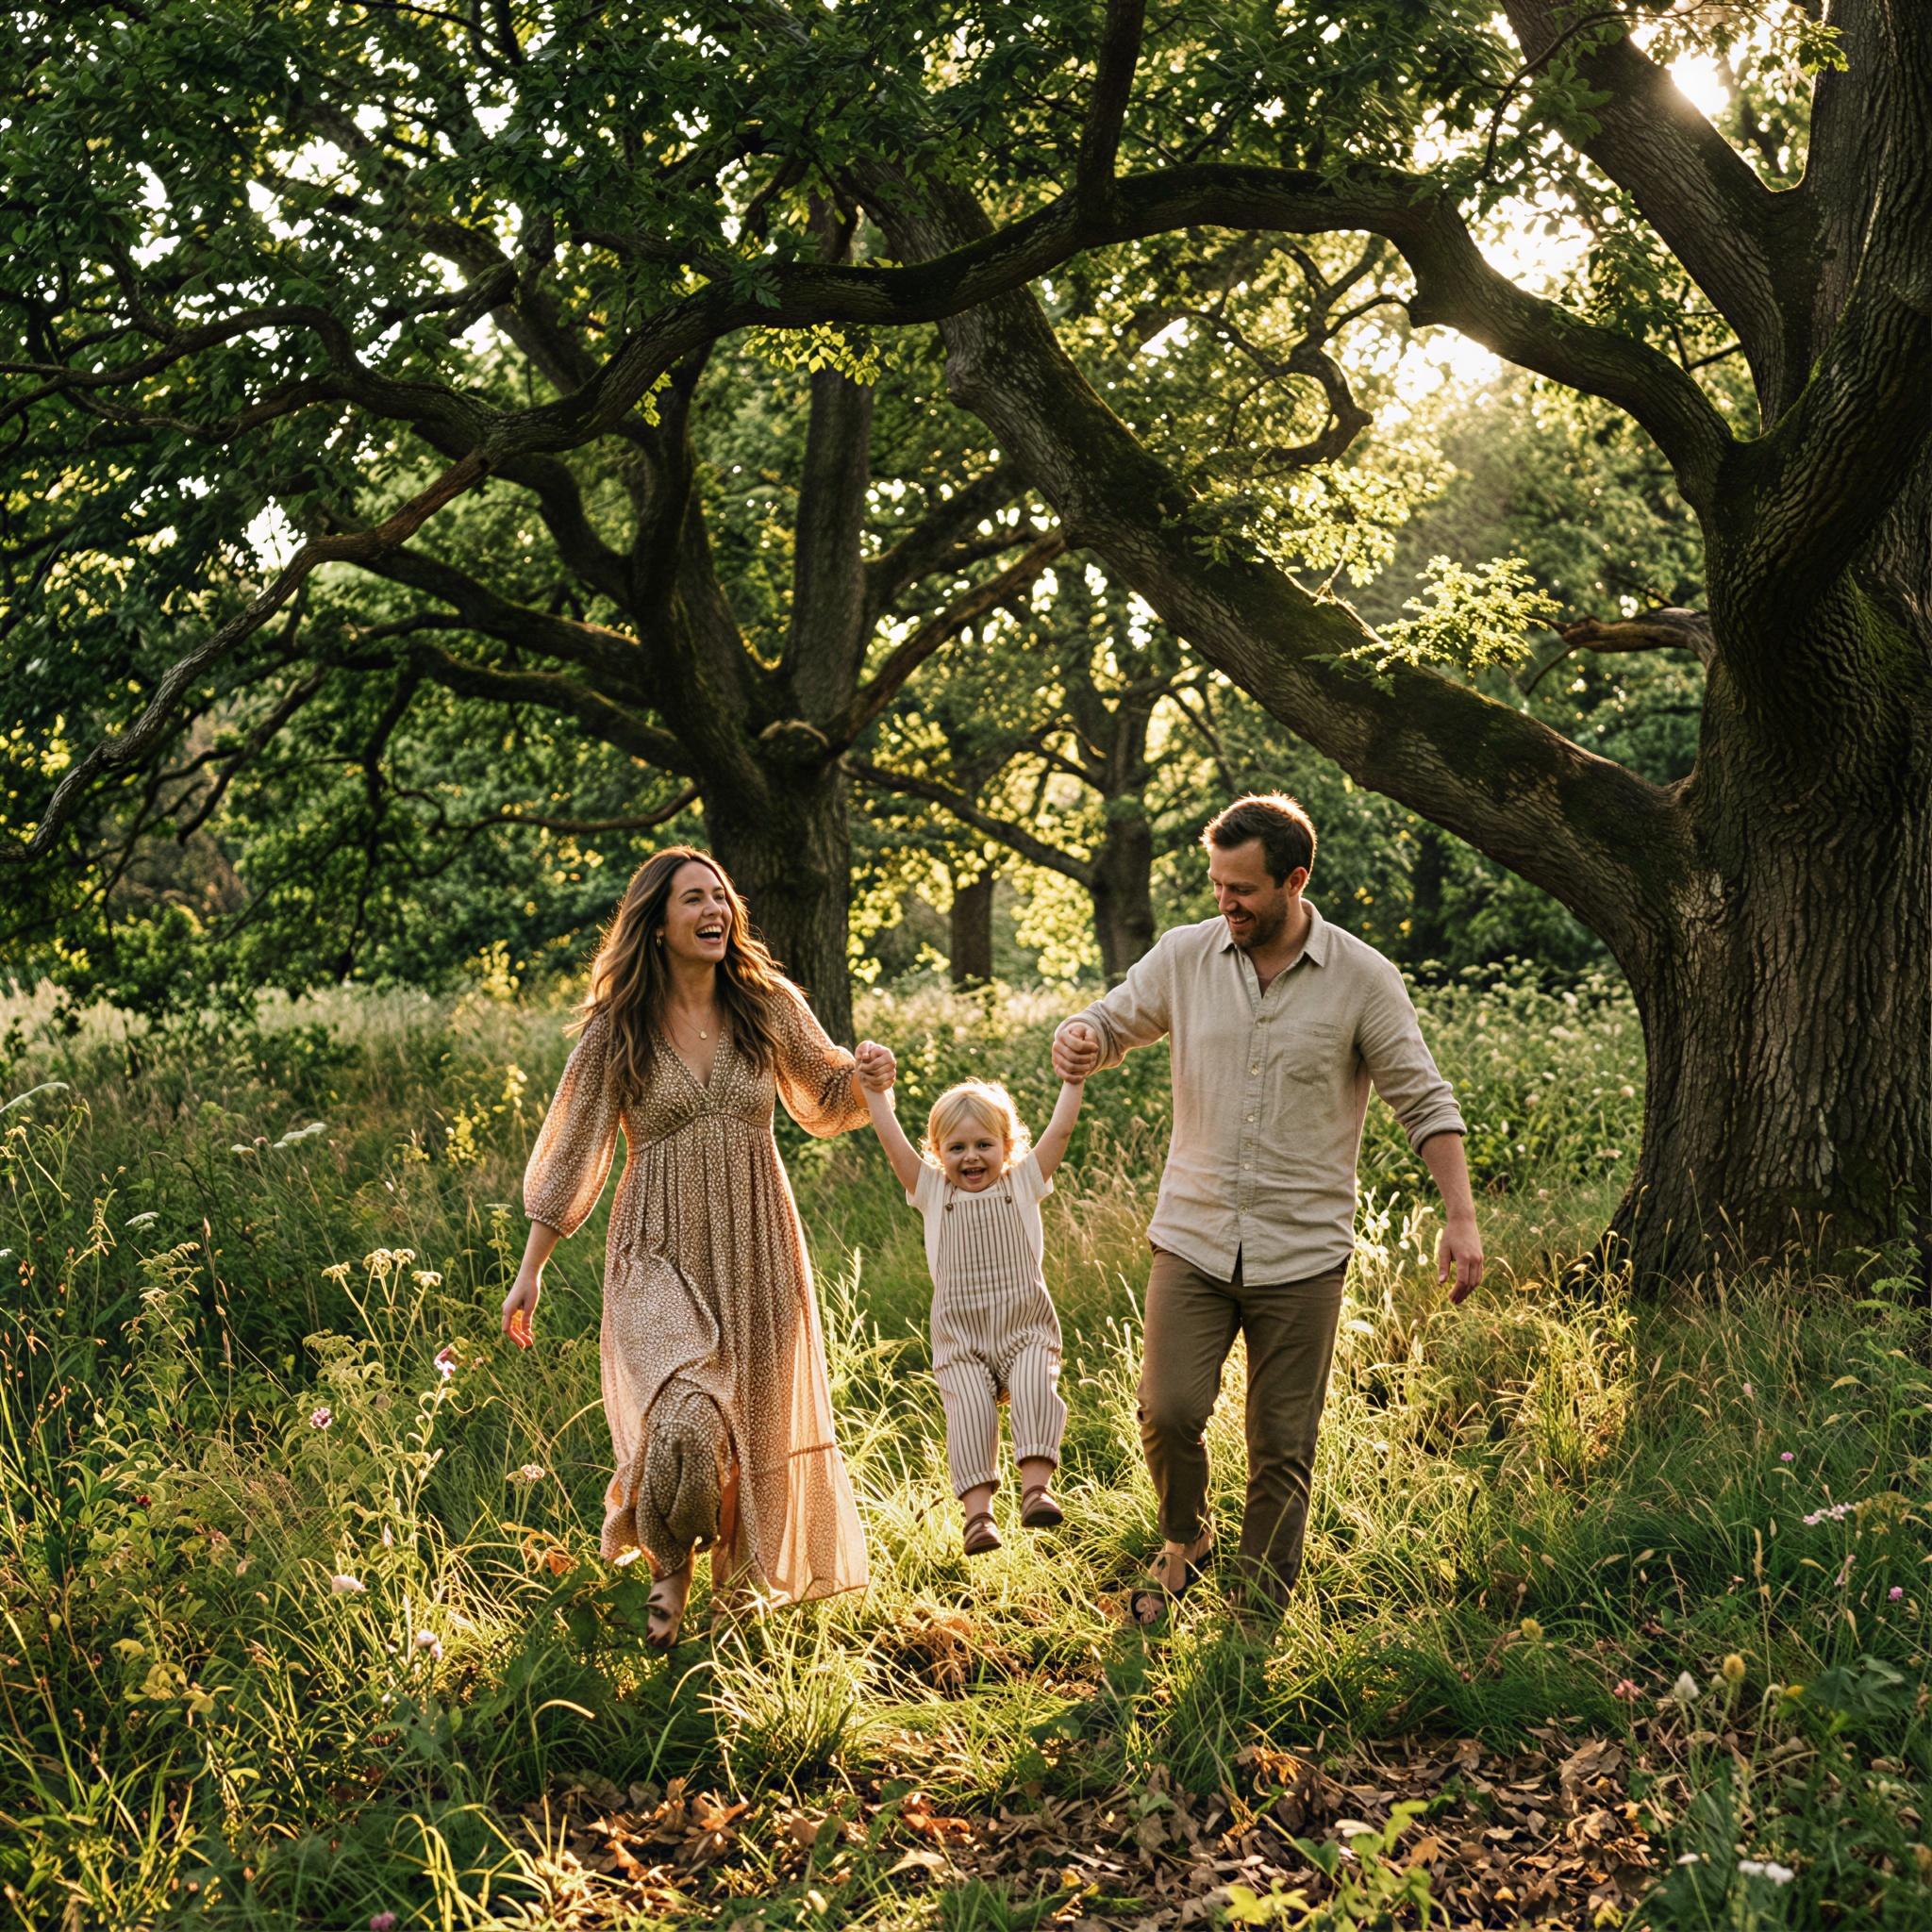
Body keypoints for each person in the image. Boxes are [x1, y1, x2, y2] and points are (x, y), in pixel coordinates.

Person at [1052, 793, 1482, 1623]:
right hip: (1194, 1234)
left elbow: (1423, 1101)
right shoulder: (1185, 957)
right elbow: (1110, 1022)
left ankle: (1255, 1621)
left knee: (1281, 1448)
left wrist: (1459, 1215)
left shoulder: (1363, 978)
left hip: (1303, 1251)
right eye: (1216, 885)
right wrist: (1081, 1036)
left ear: (1295, 880)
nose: (1226, 903)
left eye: (1242, 889)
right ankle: (1187, 1536)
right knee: (1167, 1410)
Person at [499, 846, 892, 1648]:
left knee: (752, 1427)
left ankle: (734, 1607)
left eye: (721, 897)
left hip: (759, 1246)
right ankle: (668, 1572)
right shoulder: (620, 1030)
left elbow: (824, 1090)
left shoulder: (764, 1002)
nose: (714, 911)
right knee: (681, 1421)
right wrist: (530, 1269)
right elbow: (575, 1147)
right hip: (659, 1252)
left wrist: (869, 1075)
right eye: (693, 900)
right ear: (656, 923)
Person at [852, 1063, 1084, 1556]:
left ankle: (1036, 1489)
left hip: (1025, 1327)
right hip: (961, 1340)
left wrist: (1073, 1080)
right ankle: (978, 1518)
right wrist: (876, 1094)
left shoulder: (1022, 1184)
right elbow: (893, 1143)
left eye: (984, 1145)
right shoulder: (933, 1192)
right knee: (970, 1414)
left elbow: (1060, 1131)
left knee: (1034, 1388)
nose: (971, 1157)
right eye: (956, 1148)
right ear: (937, 1154)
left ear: (1008, 1146)